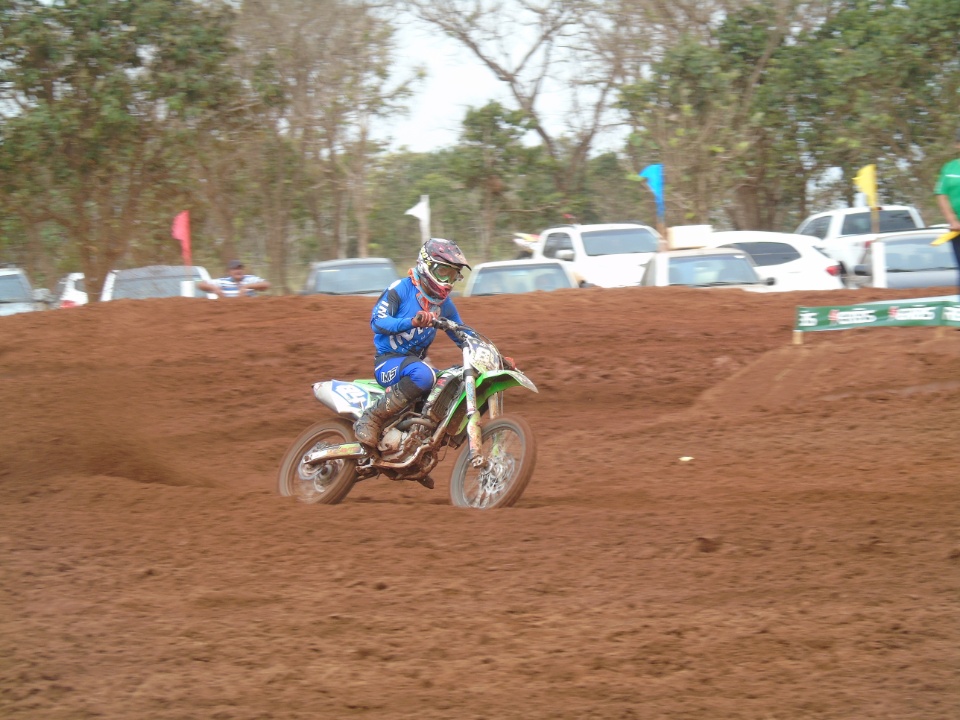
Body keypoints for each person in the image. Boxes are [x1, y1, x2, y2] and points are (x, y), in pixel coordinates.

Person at [353, 238, 471, 459]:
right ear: (426, 266)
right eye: (443, 271)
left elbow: (462, 333)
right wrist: (411, 322)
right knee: (423, 374)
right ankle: (371, 418)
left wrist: (494, 355)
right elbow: (377, 323)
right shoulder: (401, 289)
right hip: (388, 361)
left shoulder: (443, 304)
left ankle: (419, 448)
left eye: (453, 275)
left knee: (453, 382)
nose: (447, 280)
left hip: (415, 364)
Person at [934, 128, 960, 297]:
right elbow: (941, 194)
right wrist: (952, 221)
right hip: (957, 230)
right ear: (958, 145)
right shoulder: (949, 168)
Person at [198, 260, 271, 298]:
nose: (238, 271)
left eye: (240, 268)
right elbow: (200, 284)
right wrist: (214, 288)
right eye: (235, 269)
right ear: (229, 272)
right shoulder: (223, 281)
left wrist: (247, 286)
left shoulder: (250, 279)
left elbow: (267, 284)